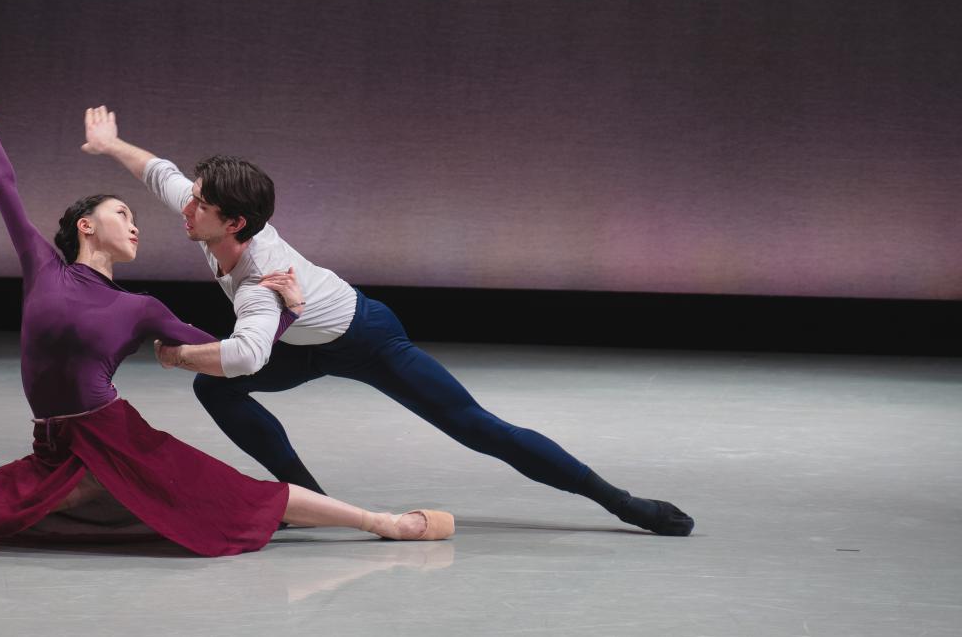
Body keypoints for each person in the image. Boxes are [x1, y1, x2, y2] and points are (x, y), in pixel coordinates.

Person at [0, 99, 453, 558]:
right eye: (121, 213)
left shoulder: (140, 309)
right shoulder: (43, 266)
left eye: (136, 214)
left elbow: (234, 356)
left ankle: (389, 523)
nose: (139, 221)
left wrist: (281, 307)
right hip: (58, 448)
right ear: (82, 225)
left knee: (249, 497)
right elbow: (4, 188)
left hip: (119, 439)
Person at [80, 105, 694, 537]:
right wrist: (111, 146)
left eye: (200, 203)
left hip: (367, 337)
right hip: (306, 344)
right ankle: (308, 500)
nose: (185, 207)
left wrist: (176, 353)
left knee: (479, 429)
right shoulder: (209, 216)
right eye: (193, 197)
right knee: (215, 390)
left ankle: (621, 503)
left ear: (234, 222)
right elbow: (157, 170)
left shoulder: (263, 280)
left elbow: (245, 356)